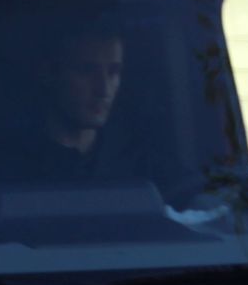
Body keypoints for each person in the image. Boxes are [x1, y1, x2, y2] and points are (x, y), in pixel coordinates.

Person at [11, 26, 146, 182]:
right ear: (49, 73)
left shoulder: (137, 164)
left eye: (113, 72)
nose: (103, 90)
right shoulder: (11, 167)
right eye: (86, 70)